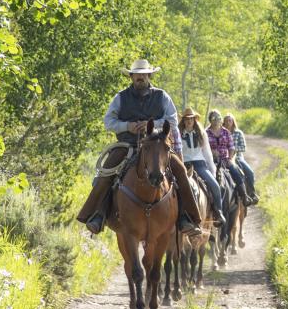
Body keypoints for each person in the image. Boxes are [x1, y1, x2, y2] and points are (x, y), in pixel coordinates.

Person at [75, 59, 212, 236]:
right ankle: (98, 215)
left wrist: (152, 124)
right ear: (131, 77)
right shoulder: (120, 97)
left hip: (157, 145)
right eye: (137, 74)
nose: (140, 77)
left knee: (180, 172)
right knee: (105, 172)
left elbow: (171, 120)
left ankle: (187, 218)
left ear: (149, 76)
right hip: (127, 145)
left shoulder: (162, 96)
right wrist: (127, 126)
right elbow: (109, 122)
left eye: (143, 74)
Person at [177, 107, 228, 226]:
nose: (189, 121)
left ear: (195, 119)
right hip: (184, 165)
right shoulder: (178, 133)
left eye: (191, 118)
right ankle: (179, 216)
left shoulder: (201, 133)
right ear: (183, 120)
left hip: (200, 164)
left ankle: (218, 212)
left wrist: (212, 169)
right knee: (175, 187)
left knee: (214, 185)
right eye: (186, 119)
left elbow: (207, 152)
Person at [205, 110, 246, 203]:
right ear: (210, 120)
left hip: (225, 160)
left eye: (219, 118)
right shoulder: (205, 133)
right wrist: (211, 152)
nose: (216, 120)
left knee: (236, 172)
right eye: (214, 118)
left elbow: (231, 147)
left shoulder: (226, 132)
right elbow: (202, 148)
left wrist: (230, 158)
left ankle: (244, 196)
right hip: (210, 161)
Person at [223, 114, 258, 205]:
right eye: (226, 121)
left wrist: (233, 149)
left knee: (250, 172)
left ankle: (252, 193)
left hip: (238, 157)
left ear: (233, 122)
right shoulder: (221, 133)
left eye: (230, 121)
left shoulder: (238, 133)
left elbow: (243, 147)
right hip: (224, 158)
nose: (228, 123)